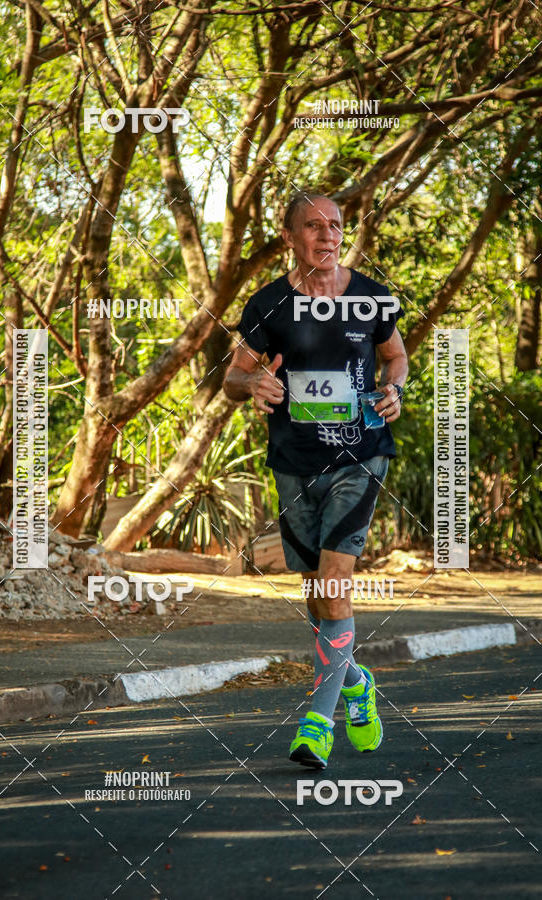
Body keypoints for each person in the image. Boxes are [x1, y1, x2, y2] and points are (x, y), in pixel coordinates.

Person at [223, 191, 408, 769]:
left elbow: (396, 357)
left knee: (334, 580)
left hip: (361, 456)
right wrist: (252, 385)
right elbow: (233, 376)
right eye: (314, 226)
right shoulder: (268, 304)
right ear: (289, 237)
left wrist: (395, 389)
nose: (328, 235)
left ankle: (318, 724)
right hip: (294, 462)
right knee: (316, 594)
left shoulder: (371, 297)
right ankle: (356, 682)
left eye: (336, 226)